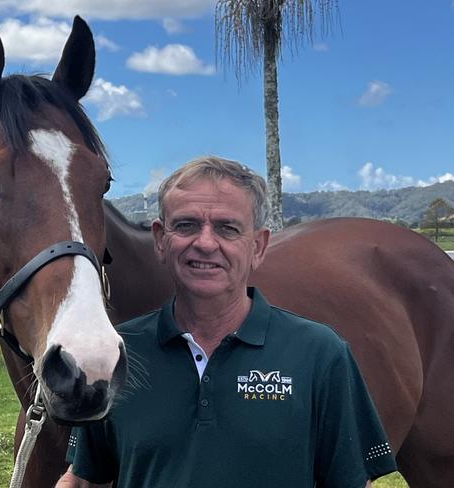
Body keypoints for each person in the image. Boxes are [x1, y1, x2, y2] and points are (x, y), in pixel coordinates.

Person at [56, 157, 397, 488]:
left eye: (227, 228)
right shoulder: (120, 353)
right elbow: (85, 478)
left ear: (258, 246)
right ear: (160, 240)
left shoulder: (320, 354)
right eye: (186, 225)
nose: (205, 243)